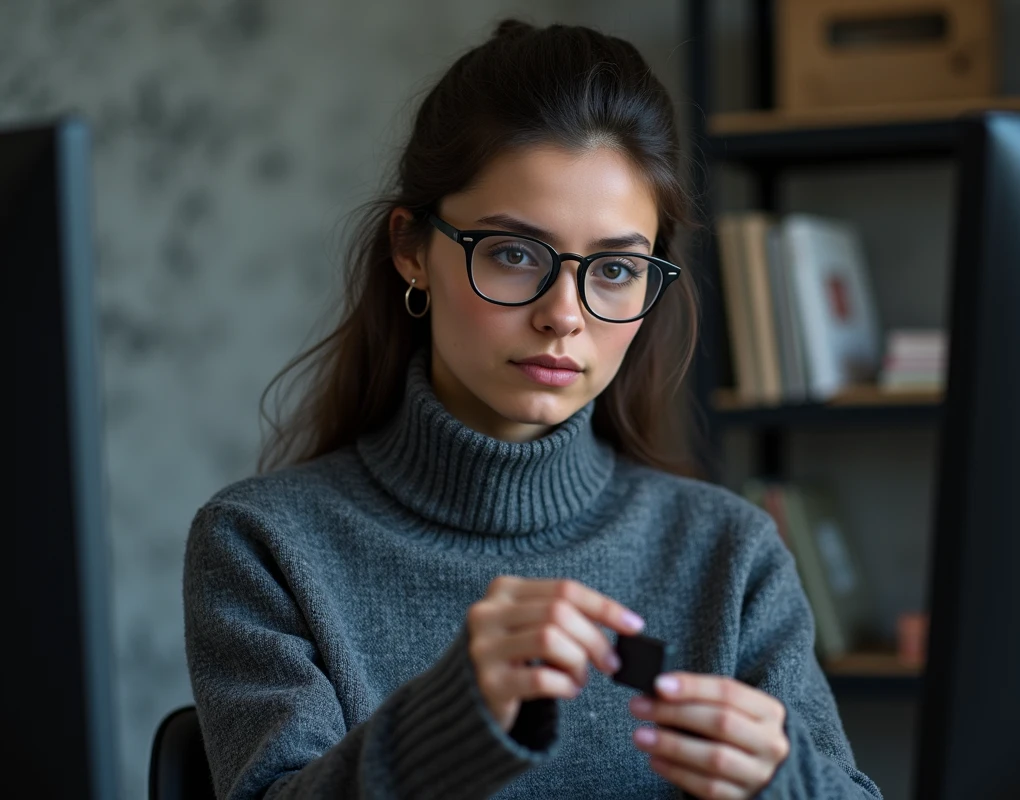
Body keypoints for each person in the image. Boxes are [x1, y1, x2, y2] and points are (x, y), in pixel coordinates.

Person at [183, 18, 883, 800]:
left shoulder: (731, 554)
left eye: (615, 269)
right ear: (411, 250)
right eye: (514, 254)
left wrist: (784, 782)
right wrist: (446, 726)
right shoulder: (264, 544)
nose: (564, 315)